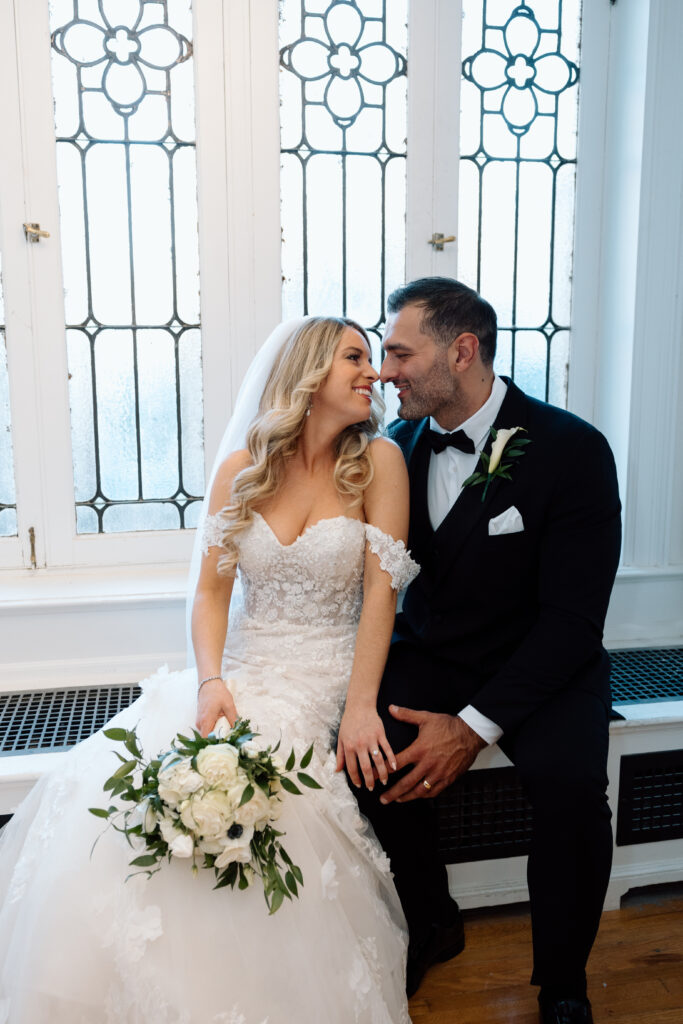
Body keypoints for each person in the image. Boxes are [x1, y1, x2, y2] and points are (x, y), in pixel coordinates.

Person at [0, 316, 418, 1023]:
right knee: (147, 779)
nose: (372, 373)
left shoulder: (377, 462)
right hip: (242, 668)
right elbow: (209, 593)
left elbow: (382, 595)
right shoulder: (241, 469)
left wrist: (359, 704)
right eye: (355, 356)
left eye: (373, 360)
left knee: (270, 794)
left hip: (322, 675)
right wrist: (209, 681)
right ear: (309, 371)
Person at [354, 278, 622, 1024]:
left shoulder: (572, 450)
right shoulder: (393, 450)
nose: (384, 370)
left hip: (545, 664)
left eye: (399, 352)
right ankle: (431, 917)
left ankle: (561, 981)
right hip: (436, 651)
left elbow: (573, 623)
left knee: (572, 790)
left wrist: (471, 726)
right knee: (365, 747)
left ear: (461, 350)